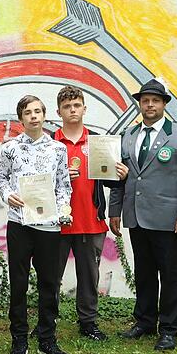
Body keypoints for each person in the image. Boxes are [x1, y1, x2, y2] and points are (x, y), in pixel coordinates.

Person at [109, 79, 177, 350]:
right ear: (140, 103)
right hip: (136, 216)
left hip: (168, 220)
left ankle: (169, 329)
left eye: (155, 100)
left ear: (164, 104)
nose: (149, 105)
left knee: (170, 275)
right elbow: (119, 177)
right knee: (144, 272)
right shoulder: (128, 135)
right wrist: (115, 210)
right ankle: (145, 321)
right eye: (145, 100)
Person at [0, 95, 72, 354]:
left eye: (38, 111)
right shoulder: (9, 148)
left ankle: (47, 339)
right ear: (21, 118)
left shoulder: (58, 149)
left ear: (45, 115)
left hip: (49, 226)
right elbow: (1, 178)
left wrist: (64, 209)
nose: (34, 116)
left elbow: (63, 185)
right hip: (20, 223)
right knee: (18, 283)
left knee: (49, 283)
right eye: (28, 112)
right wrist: (8, 195)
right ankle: (18, 339)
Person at [53, 86, 128, 341]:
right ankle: (46, 322)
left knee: (89, 278)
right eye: (67, 107)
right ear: (59, 112)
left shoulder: (98, 142)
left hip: (91, 220)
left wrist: (120, 176)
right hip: (57, 224)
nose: (72, 110)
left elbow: (110, 182)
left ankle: (88, 323)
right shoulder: (50, 144)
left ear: (84, 108)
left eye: (76, 105)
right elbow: (37, 184)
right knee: (51, 278)